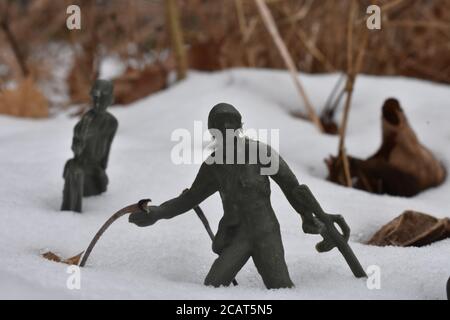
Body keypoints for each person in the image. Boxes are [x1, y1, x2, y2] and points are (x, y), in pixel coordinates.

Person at [129, 103, 323, 289]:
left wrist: (306, 215)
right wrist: (157, 212)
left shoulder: (260, 153)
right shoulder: (213, 165)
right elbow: (189, 199)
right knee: (213, 286)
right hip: (238, 234)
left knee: (280, 286)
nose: (226, 127)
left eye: (231, 122)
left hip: (266, 231)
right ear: (212, 130)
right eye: (219, 124)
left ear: (240, 126)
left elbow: (292, 187)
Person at [61, 80, 118, 213]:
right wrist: (81, 137)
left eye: (102, 99)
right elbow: (76, 150)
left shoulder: (112, 122)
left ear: (110, 99)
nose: (98, 104)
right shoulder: (86, 121)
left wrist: (102, 168)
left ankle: (94, 186)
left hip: (96, 166)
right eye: (95, 99)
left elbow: (107, 148)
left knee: (100, 183)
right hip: (80, 163)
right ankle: (71, 212)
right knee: (75, 171)